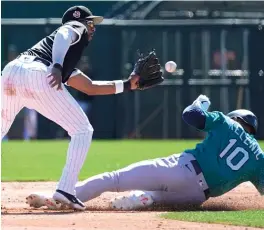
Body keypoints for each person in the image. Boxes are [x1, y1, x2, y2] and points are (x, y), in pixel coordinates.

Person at [2, 5, 162, 211]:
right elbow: (64, 32)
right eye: (90, 23)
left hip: (11, 72)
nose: (93, 28)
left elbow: (90, 88)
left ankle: (65, 190)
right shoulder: (72, 30)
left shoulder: (61, 55)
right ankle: (66, 190)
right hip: (38, 72)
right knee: (82, 130)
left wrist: (128, 85)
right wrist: (57, 65)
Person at [26, 95, 264, 210]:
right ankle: (144, 199)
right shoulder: (258, 157)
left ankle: (60, 196)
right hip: (197, 197)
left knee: (115, 179)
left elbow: (190, 115)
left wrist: (200, 103)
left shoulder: (227, 123)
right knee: (158, 197)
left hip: (181, 169)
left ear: (236, 119)